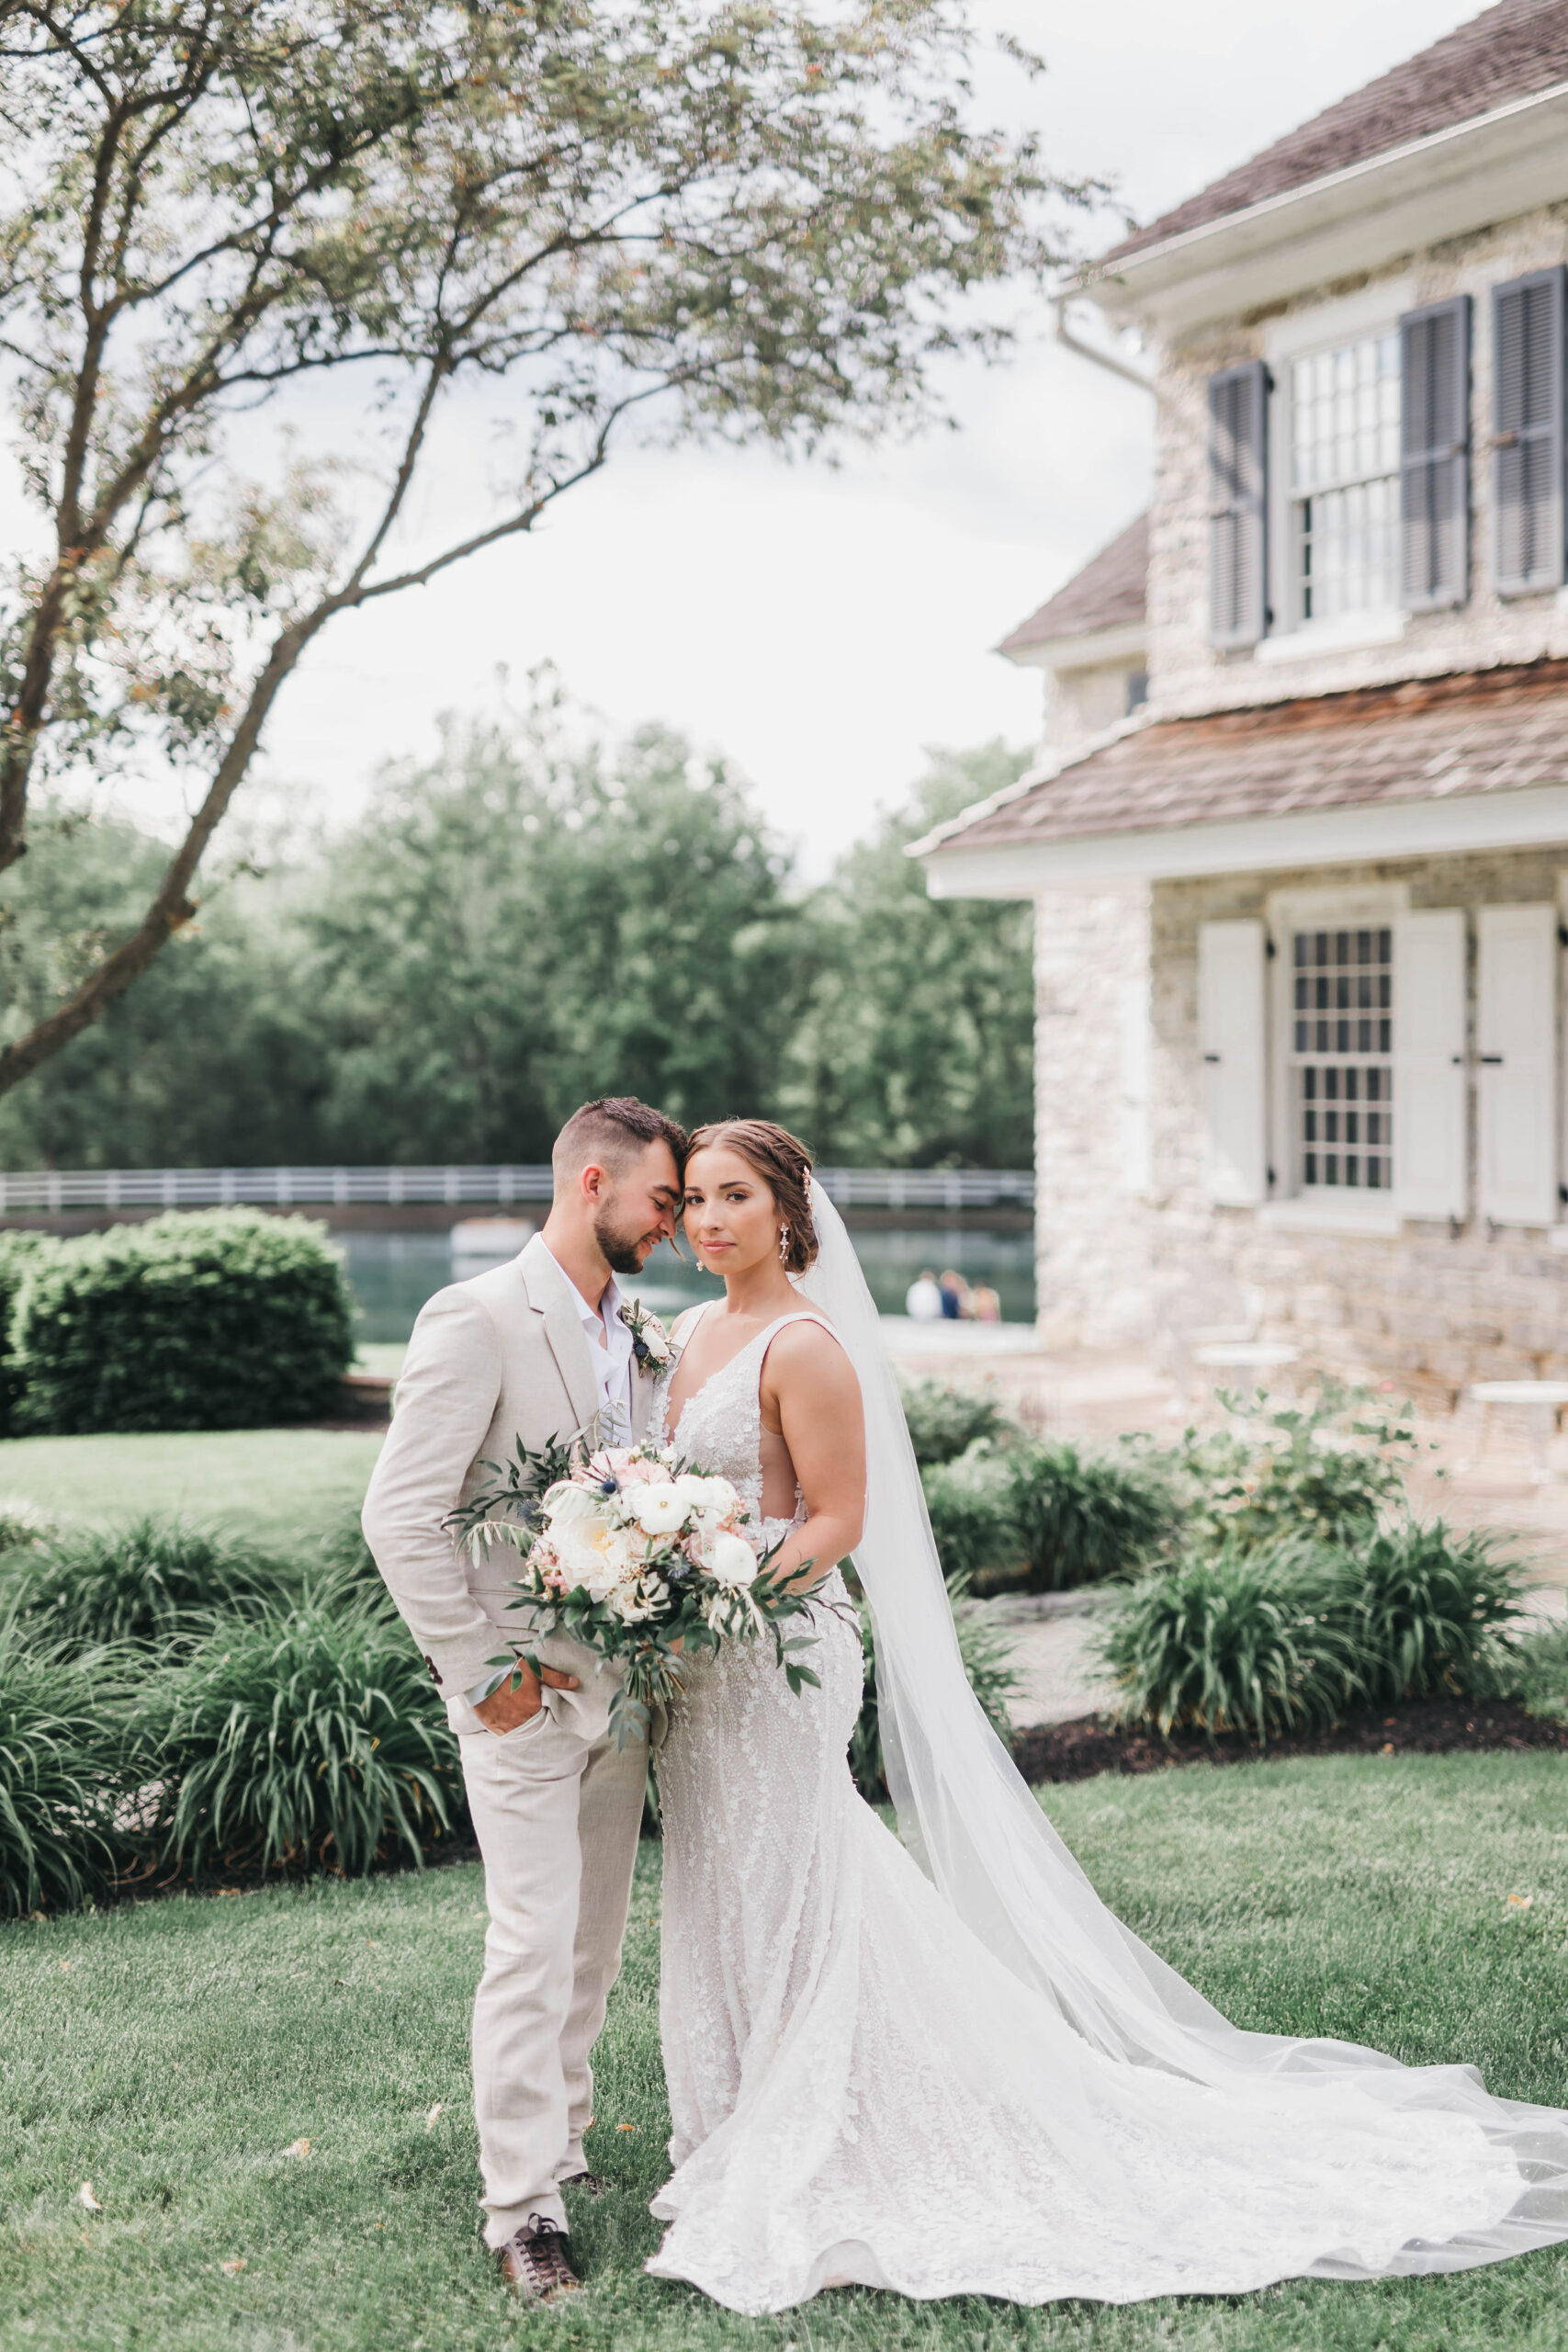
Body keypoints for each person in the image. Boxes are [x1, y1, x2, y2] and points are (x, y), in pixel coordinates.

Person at [644, 1118, 1568, 2315]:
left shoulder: (807, 1346)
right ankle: (739, 2112)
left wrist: (732, 1604)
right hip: (700, 1669)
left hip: (779, 1652)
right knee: (721, 1872)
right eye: (698, 1199)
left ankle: (829, 2113)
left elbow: (835, 1519)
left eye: (736, 1196)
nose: (711, 1219)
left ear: (787, 1213)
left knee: (798, 1870)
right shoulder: (683, 1335)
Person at [361, 1095, 685, 2305]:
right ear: (594, 1184)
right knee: (533, 1944)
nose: (676, 1225)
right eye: (664, 1201)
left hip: (626, 1700)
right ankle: (521, 2212)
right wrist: (482, 1669)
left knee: (592, 1949)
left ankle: (565, 2149)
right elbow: (400, 1515)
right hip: (522, 1700)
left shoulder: (639, 1330)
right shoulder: (479, 1317)